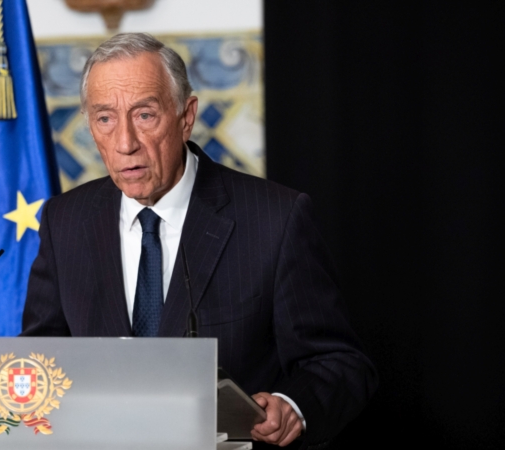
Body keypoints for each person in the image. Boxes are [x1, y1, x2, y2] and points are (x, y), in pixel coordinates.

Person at [21, 33, 377, 448]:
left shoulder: (275, 219)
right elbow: (39, 359)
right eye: (105, 119)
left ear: (186, 116)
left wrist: (291, 405)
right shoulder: (65, 220)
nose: (124, 143)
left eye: (144, 115)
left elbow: (339, 363)